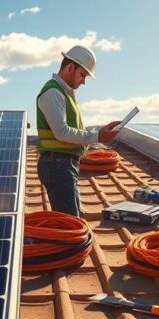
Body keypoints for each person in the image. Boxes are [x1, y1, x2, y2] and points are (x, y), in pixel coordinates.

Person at [35, 45, 121, 216]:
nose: (83, 81)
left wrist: (100, 131)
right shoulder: (53, 93)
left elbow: (71, 130)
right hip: (57, 165)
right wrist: (98, 136)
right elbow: (62, 132)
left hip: (62, 164)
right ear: (70, 67)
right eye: (82, 75)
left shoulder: (63, 93)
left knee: (70, 219)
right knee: (70, 224)